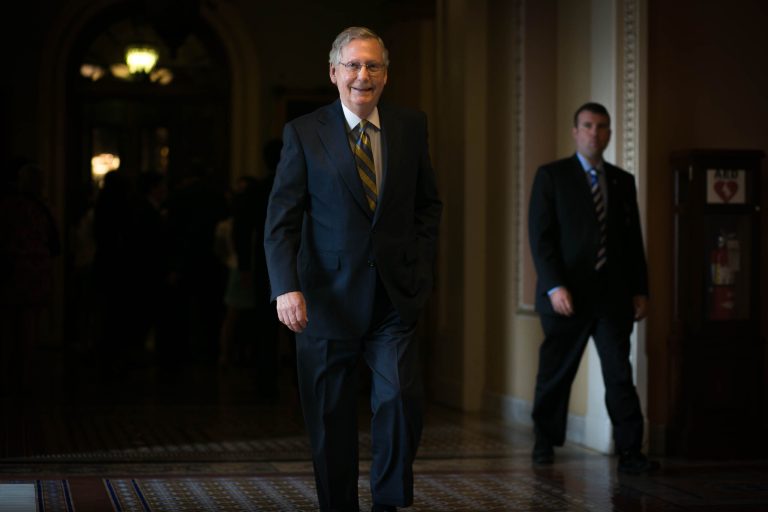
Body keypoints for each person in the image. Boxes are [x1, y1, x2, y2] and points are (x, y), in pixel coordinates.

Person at [264, 26, 442, 512]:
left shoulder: (411, 126)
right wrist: (287, 288)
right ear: (334, 73)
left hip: (393, 296)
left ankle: (387, 501)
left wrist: (420, 269)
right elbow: (281, 220)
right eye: (353, 65)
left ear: (386, 74)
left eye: (373, 66)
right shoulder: (304, 132)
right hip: (323, 300)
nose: (363, 76)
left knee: (401, 400)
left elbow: (428, 206)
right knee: (330, 419)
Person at [527, 102, 658, 474]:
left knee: (619, 373)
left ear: (610, 133)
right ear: (575, 131)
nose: (594, 133)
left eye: (602, 127)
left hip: (613, 298)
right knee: (555, 374)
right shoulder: (552, 176)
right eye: (587, 125)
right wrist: (554, 286)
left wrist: (641, 289)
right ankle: (544, 442)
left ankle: (631, 451)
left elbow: (633, 241)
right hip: (566, 296)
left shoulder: (621, 181)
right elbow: (542, 239)